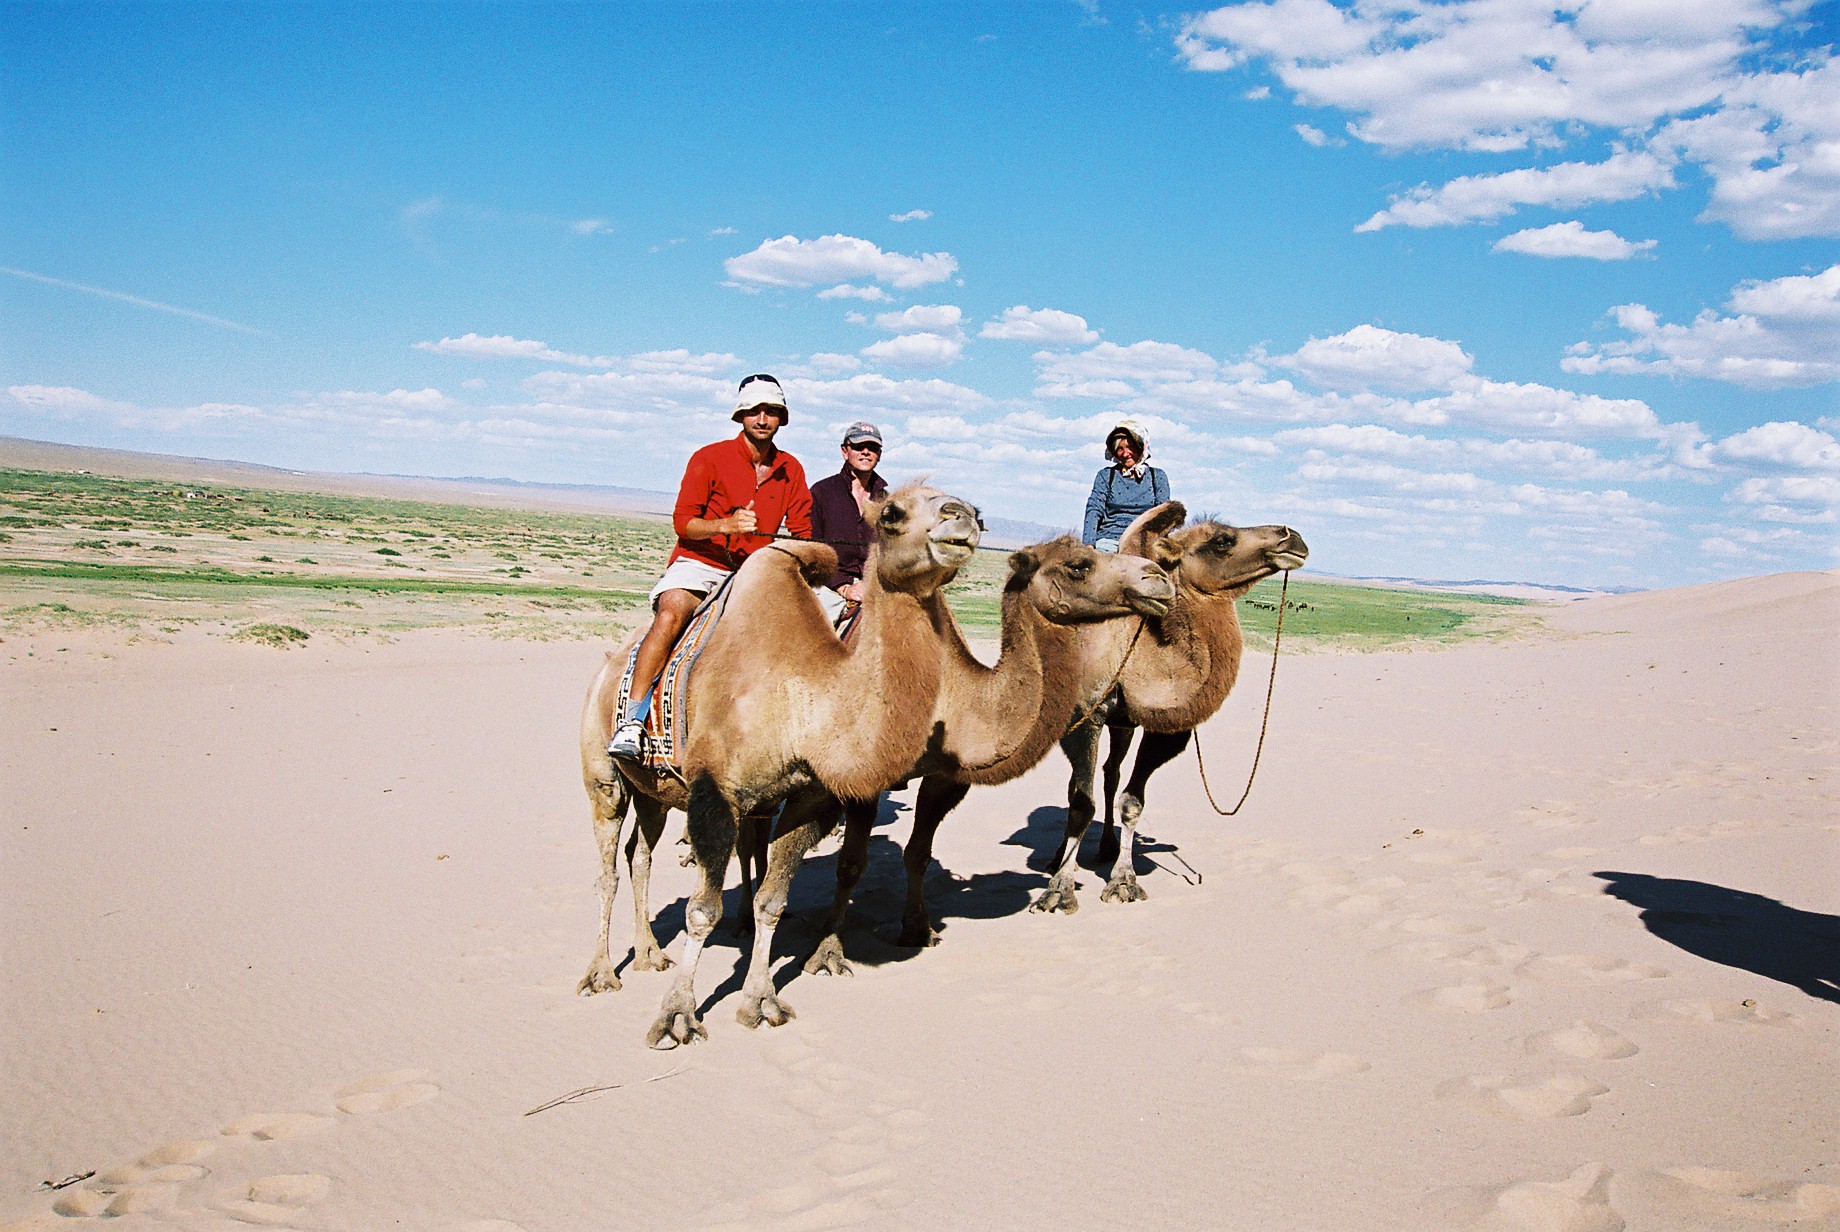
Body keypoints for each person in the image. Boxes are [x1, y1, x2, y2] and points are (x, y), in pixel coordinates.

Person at [608, 373, 815, 760]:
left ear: (782, 418)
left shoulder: (792, 469)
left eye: (771, 411)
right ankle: (631, 721)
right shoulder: (709, 458)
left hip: (755, 572)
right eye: (754, 411)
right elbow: (683, 522)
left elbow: (803, 529)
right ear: (741, 416)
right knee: (671, 615)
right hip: (701, 562)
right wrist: (725, 525)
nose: (763, 419)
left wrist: (798, 552)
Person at [808, 420, 888, 606]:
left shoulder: (887, 501)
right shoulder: (822, 492)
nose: (866, 452)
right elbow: (812, 549)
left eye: (872, 447)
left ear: (879, 455)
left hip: (875, 587)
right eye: (859, 446)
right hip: (828, 587)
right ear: (845, 451)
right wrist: (843, 587)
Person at [1082, 419, 1170, 552]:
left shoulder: (1157, 476)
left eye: (1131, 447)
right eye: (1120, 449)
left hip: (1144, 542)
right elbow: (1094, 509)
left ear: (1141, 447)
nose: (1125, 453)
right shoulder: (1106, 476)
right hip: (1109, 541)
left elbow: (1163, 515)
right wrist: (1089, 546)